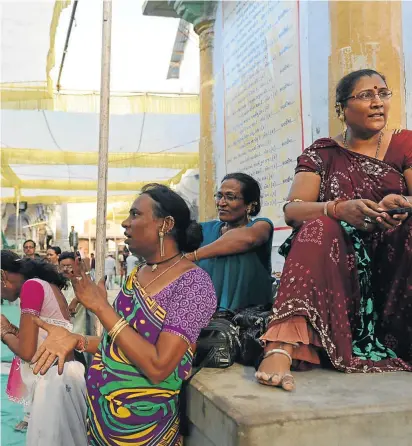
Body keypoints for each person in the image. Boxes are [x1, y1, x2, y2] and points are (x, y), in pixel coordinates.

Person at [256, 69, 412, 392]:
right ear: (341, 108)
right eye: (366, 95)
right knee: (318, 225)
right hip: (341, 270)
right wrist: (339, 209)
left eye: (383, 94)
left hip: (396, 266)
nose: (378, 102)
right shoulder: (323, 153)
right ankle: (282, 345)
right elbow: (293, 209)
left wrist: (403, 203)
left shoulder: (404, 144)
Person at [30, 183, 217, 446]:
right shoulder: (136, 275)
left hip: (144, 432)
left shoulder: (194, 284)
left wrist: (101, 307)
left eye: (135, 214)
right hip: (100, 423)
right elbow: (118, 344)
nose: (125, 223)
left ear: (165, 224)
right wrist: (77, 340)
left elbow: (158, 367)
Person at [0, 251, 87, 445]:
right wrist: (12, 330)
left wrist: (3, 332)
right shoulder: (44, 285)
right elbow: (40, 337)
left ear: (2, 276)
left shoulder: (31, 287)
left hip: (55, 381)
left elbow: (28, 352)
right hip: (63, 376)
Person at [185, 172, 274, 311]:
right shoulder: (204, 230)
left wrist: (192, 256)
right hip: (207, 321)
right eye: (219, 196)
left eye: (230, 197)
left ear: (249, 205)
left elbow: (248, 239)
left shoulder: (261, 227)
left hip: (249, 321)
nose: (221, 203)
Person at [59, 252, 87, 336]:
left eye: (69, 266)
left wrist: (76, 300)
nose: (65, 269)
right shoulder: (56, 283)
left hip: (78, 331)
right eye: (63, 266)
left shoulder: (82, 281)